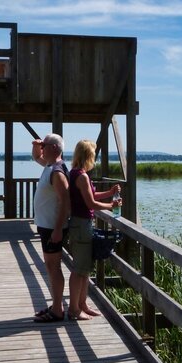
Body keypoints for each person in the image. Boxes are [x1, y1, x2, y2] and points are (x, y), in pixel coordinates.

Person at [67, 139, 121, 320]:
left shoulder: (76, 174)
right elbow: (90, 202)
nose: (94, 159)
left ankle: (82, 304)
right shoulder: (81, 176)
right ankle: (74, 310)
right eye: (93, 155)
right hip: (81, 224)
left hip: (81, 224)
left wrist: (110, 193)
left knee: (85, 268)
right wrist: (111, 206)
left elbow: (90, 195)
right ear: (88, 156)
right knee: (79, 269)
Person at [32, 134, 70, 323]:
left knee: (53, 267)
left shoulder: (57, 171)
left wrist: (57, 229)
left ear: (54, 148)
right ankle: (56, 304)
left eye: (44, 146)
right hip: (46, 225)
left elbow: (65, 202)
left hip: (52, 227)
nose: (42, 149)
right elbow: (36, 157)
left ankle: (57, 310)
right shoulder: (49, 166)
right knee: (50, 266)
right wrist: (36, 144)